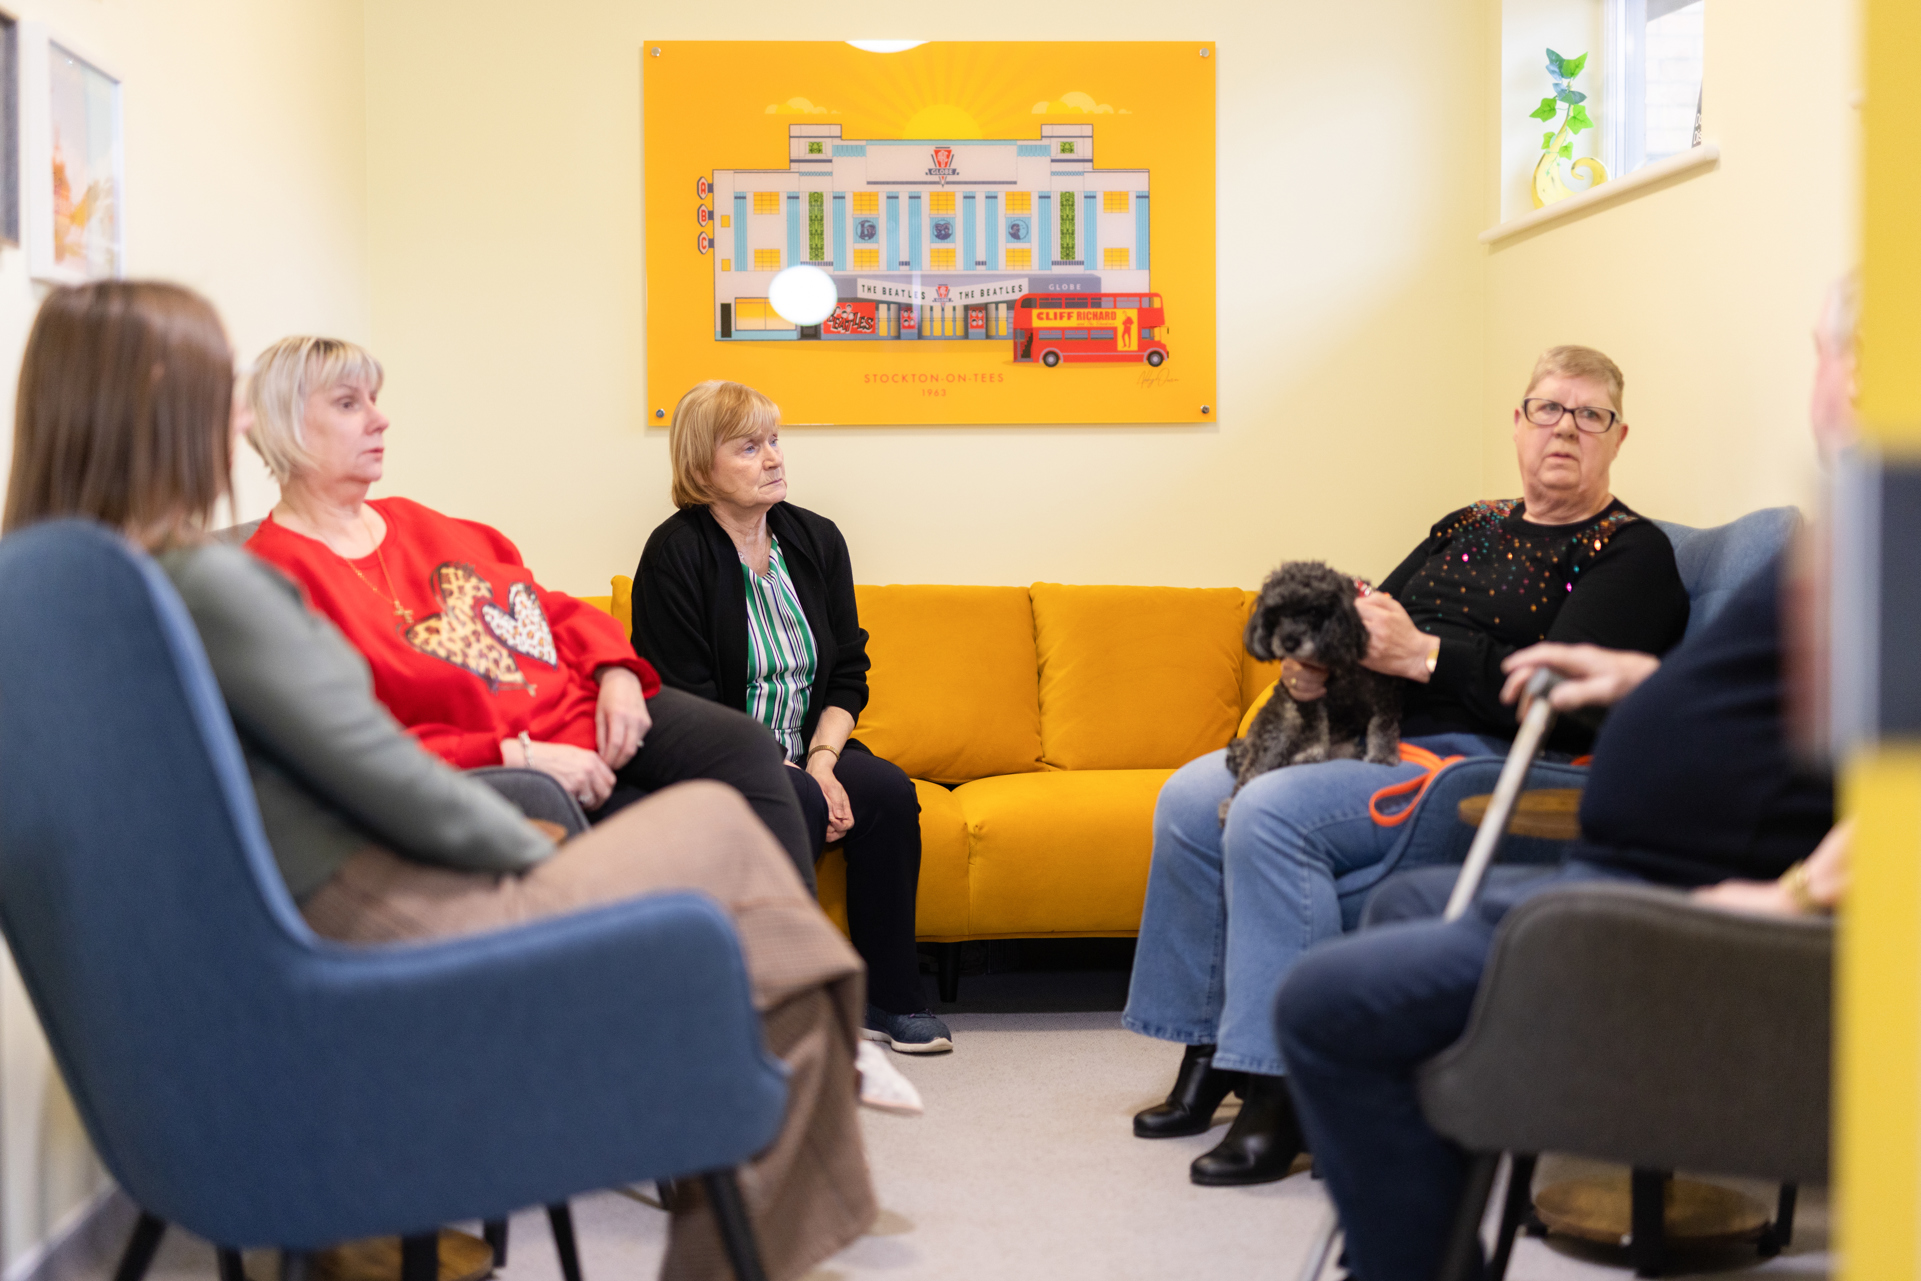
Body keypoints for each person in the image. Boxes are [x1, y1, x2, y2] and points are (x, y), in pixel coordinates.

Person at [0, 281, 882, 1281]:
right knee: (741, 884)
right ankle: (786, 1135)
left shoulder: (57, 587)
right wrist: (539, 869)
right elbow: (375, 769)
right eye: (220, 390)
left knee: (754, 904)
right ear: (159, 398)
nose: (236, 417)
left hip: (280, 935)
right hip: (365, 924)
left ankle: (799, 1067)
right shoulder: (207, 581)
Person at [1275, 285, 1858, 1279]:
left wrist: (1792, 893)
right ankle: (1436, 1235)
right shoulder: (1863, 523)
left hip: (1692, 911)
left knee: (1329, 1001)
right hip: (1626, 873)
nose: (1824, 385)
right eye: (1825, 353)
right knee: (1408, 904)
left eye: (1845, 354)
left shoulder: (1664, 548)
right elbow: (1817, 705)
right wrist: (1653, 683)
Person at [1124, 346, 1692, 1186]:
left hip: (1472, 762)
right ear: (1517, 421)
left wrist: (1426, 653)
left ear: (1619, 436)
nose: (1564, 429)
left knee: (1268, 812)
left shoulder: (1629, 554)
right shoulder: (1465, 523)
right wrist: (1316, 661)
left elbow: (1561, 695)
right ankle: (1207, 1053)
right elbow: (1367, 617)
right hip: (1361, 733)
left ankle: (1285, 1093)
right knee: (1186, 796)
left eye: (1588, 414)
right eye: (1547, 408)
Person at [239, 338, 821, 891]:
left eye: (374, 399)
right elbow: (347, 749)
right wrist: (516, 756)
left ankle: (797, 975)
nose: (379, 419)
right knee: (686, 837)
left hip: (592, 709)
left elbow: (551, 609)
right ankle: (753, 979)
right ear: (287, 426)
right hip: (521, 759)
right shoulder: (271, 577)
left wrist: (615, 671)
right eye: (348, 404)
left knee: (746, 746)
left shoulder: (421, 523)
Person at [633, 381, 949, 1055]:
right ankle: (780, 1005)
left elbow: (847, 672)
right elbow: (681, 697)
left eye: (774, 440)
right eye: (749, 447)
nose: (773, 458)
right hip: (716, 760)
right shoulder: (675, 553)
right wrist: (786, 770)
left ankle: (890, 998)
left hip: (809, 748)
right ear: (701, 466)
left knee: (889, 792)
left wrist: (824, 759)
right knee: (797, 799)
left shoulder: (815, 540)